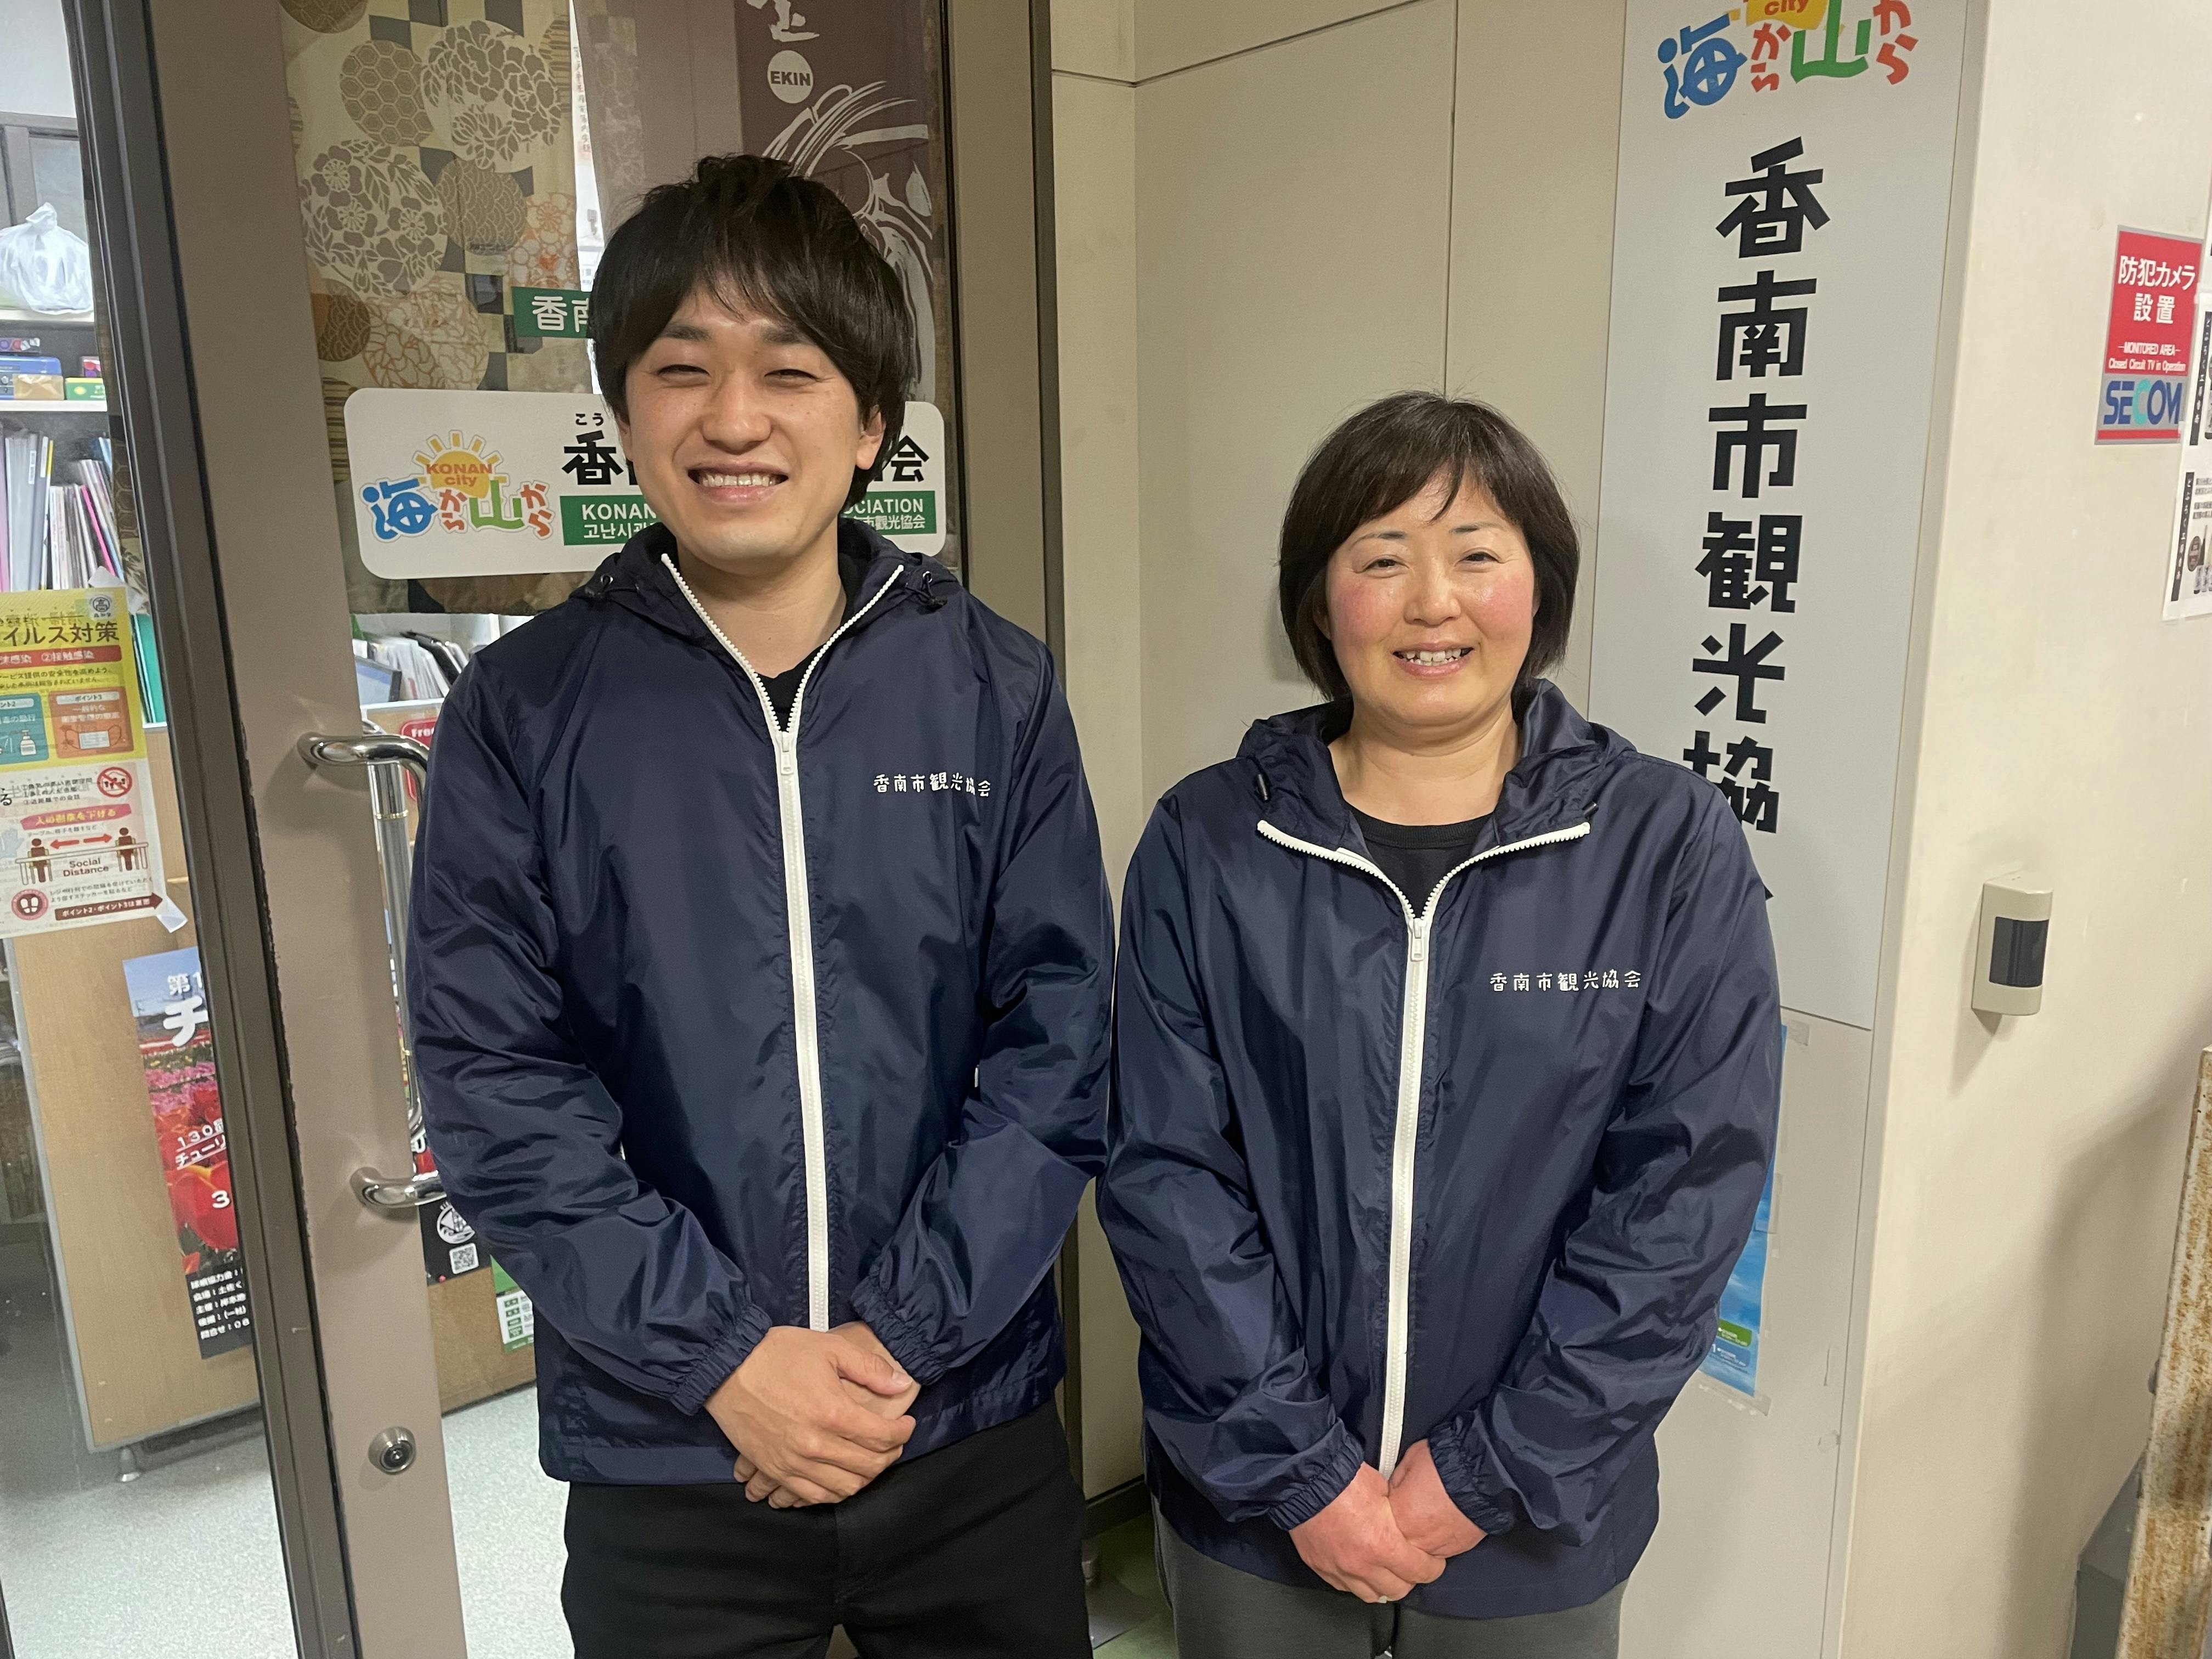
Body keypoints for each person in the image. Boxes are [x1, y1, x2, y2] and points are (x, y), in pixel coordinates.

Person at [408, 154, 1111, 1658]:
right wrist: (726, 1357)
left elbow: (1059, 1049)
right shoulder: (524, 712)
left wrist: (897, 1342)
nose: (734, 420)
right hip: (672, 1444)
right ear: (623, 415)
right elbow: (493, 1080)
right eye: (683, 370)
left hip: (959, 1422)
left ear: (870, 426)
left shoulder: (993, 687)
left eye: (790, 372)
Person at [1099, 392, 1780, 1657]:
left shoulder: (1662, 845)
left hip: (1533, 1524)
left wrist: (1484, 1473)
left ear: (1539, 588)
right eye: (1381, 560)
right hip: (1258, 1511)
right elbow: (1166, 1176)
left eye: (1476, 555)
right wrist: (1305, 1473)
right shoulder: (1212, 841)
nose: (1432, 603)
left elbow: (1684, 1198)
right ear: (1320, 603)